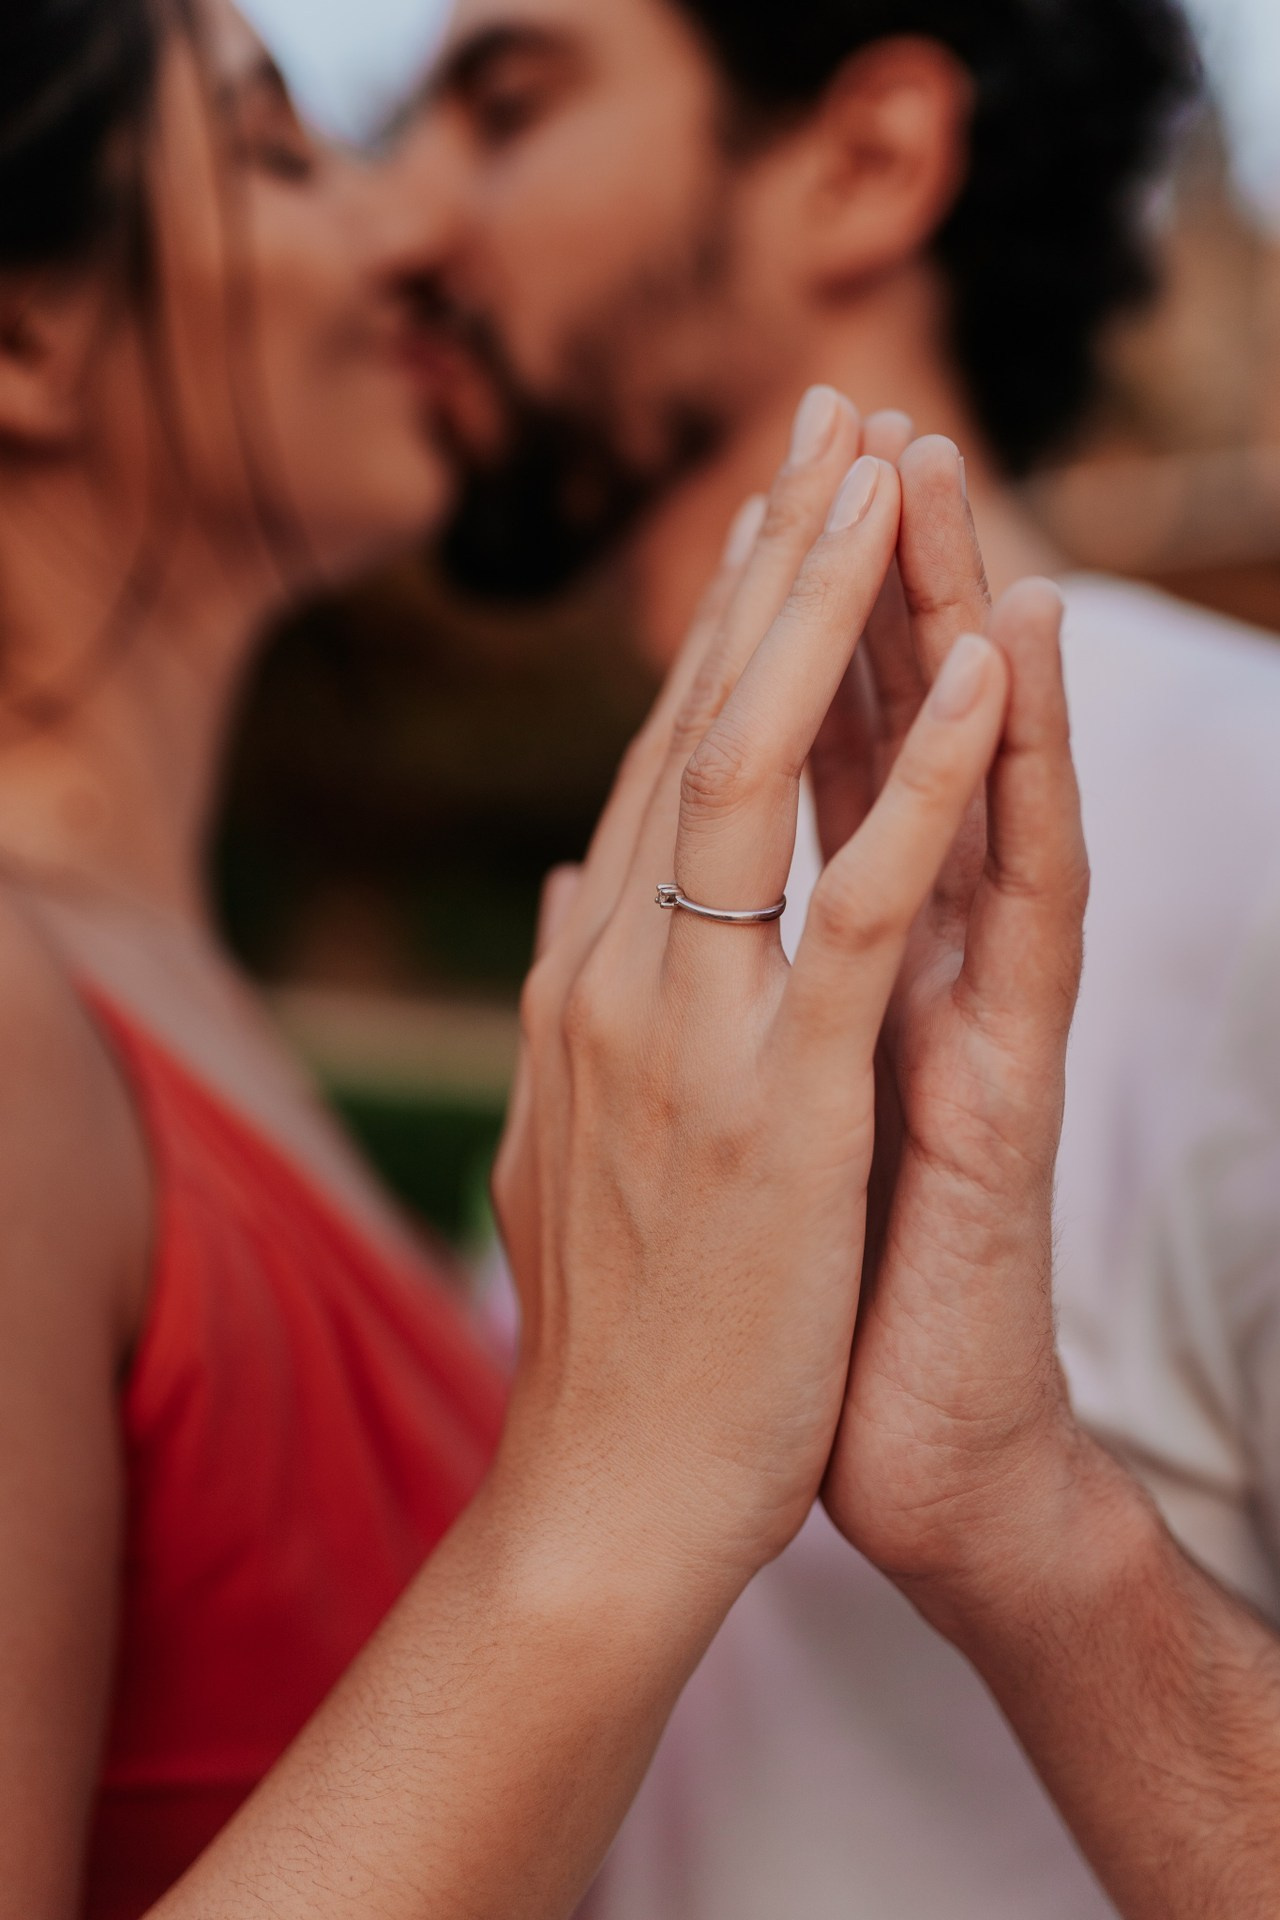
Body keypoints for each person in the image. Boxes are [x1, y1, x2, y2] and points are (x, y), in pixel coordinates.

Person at [0, 2, 1093, 1915]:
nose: (410, 235)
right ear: (20, 338)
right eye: (280, 152)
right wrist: (623, 1483)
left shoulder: (138, 993)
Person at [398, 2, 1280, 1914]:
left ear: (870, 159)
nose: (408, 222)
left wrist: (1039, 1534)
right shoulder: (638, 900)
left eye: (508, 104)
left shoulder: (1255, 824)